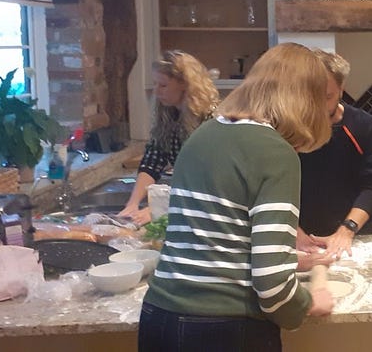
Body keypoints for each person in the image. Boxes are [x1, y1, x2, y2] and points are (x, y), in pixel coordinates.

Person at [139, 43, 335, 351]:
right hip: (224, 328)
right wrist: (309, 301)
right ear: (306, 102)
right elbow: (272, 287)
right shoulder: (274, 152)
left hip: (158, 318)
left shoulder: (201, 136)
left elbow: (217, 241)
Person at [297, 50, 372, 260]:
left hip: (353, 238)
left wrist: (347, 230)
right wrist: (292, 230)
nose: (318, 105)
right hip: (299, 239)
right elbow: (271, 187)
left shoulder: (363, 125)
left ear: (341, 90)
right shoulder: (289, 129)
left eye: (327, 96)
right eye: (311, 96)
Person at [118, 50, 219, 225]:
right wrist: (132, 204)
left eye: (162, 85)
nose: (156, 91)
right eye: (155, 84)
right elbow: (152, 162)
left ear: (185, 85)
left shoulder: (211, 120)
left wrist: (158, 209)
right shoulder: (169, 116)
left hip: (209, 208)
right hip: (186, 203)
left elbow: (207, 177)